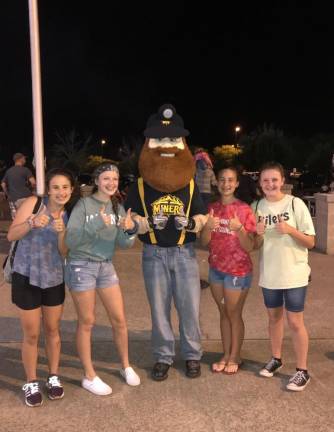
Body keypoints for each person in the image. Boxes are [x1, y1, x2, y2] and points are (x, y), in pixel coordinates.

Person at [125, 104, 207, 381]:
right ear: (149, 143)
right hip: (153, 253)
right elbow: (130, 217)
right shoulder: (139, 184)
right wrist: (146, 224)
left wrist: (193, 223)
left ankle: (193, 355)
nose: (167, 144)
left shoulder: (190, 183)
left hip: (185, 253)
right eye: (159, 139)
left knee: (189, 308)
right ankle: (163, 356)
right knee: (159, 310)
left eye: (173, 139)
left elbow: (202, 214)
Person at [64, 163, 140, 396]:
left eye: (114, 179)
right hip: (81, 265)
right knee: (87, 321)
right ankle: (89, 376)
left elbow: (125, 244)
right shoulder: (84, 205)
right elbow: (71, 241)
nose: (111, 183)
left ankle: (125, 365)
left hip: (106, 266)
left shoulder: (117, 207)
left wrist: (129, 229)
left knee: (119, 319)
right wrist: (97, 223)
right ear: (97, 181)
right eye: (106, 178)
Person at [7, 168, 76, 407]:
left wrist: (61, 233)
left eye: (65, 187)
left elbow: (64, 251)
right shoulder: (34, 202)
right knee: (32, 333)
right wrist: (32, 222)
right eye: (56, 187)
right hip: (26, 275)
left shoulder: (68, 214)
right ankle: (31, 380)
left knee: (53, 330)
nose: (61, 192)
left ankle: (53, 376)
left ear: (71, 190)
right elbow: (11, 235)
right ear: (48, 189)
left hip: (53, 277)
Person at [253, 161, 315, 391]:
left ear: (282, 181)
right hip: (270, 273)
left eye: (274, 179)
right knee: (274, 318)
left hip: (294, 273)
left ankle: (302, 371)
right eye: (265, 180)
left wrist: (290, 230)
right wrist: (257, 235)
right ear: (260, 184)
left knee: (295, 322)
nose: (270, 184)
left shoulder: (295, 204)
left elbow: (311, 241)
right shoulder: (256, 206)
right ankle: (276, 359)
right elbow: (254, 244)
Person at [201, 166, 256, 374]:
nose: (226, 184)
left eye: (230, 180)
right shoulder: (211, 208)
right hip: (216, 269)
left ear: (237, 183)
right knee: (223, 312)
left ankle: (236, 356)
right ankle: (226, 354)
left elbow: (250, 246)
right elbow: (205, 241)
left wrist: (239, 228)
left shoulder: (244, 209)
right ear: (216, 181)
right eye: (222, 179)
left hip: (238, 271)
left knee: (233, 313)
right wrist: (208, 226)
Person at [1, 153, 36, 219]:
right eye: (24, 158)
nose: (25, 160)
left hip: (13, 199)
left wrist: (7, 194)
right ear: (21, 159)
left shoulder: (9, 171)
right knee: (28, 219)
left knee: (16, 219)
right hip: (25, 198)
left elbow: (3, 184)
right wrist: (32, 189)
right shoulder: (25, 170)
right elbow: (33, 183)